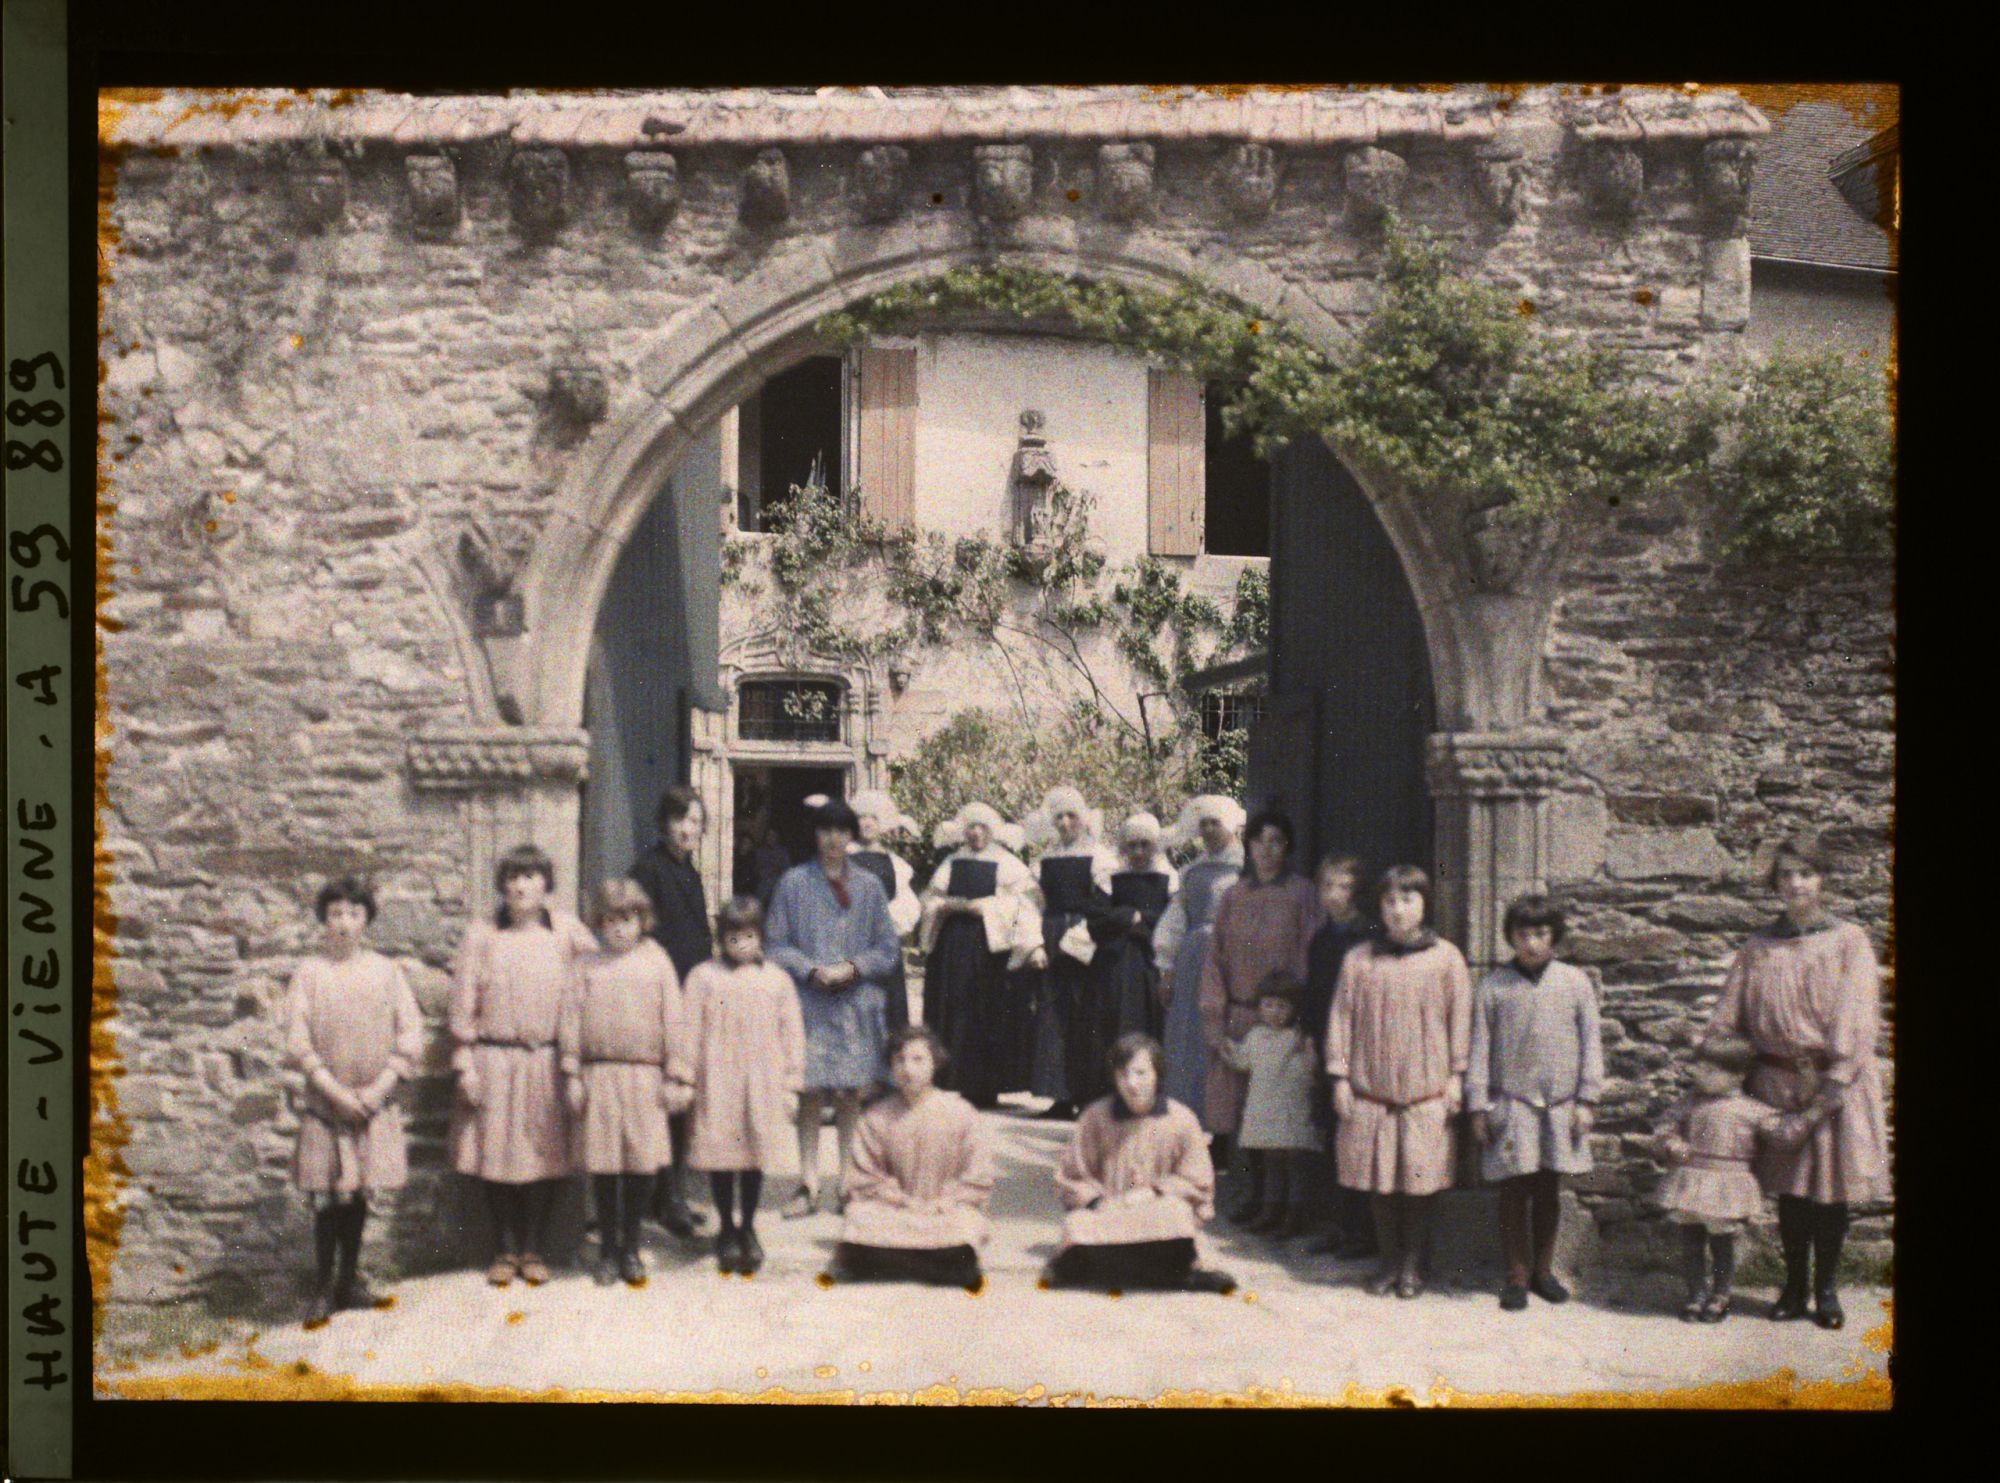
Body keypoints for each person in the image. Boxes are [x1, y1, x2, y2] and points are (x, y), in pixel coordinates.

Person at [1699, 834, 1889, 1331]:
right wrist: (1720, 1068)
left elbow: (1857, 1022)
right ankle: (1794, 1286)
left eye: (1805, 872)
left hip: (1830, 1086)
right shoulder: (1759, 946)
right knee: (1791, 1194)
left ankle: (1826, 1290)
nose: (1795, 883)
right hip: (1775, 1083)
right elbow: (1729, 1016)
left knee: (1829, 1192)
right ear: (1775, 884)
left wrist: (1829, 1090)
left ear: (1821, 879)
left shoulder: (1848, 942)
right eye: (1785, 874)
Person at [451, 844, 597, 1287]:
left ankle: (533, 1247)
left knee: (542, 1157)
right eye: (513, 878)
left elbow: (601, 975)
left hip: (546, 1061)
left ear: (546, 884)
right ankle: (504, 1248)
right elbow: (463, 1006)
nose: (520, 886)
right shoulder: (482, 936)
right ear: (502, 885)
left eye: (531, 877)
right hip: (494, 1059)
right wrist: (465, 1064)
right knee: (495, 1157)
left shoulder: (567, 932)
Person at [1325, 864, 1473, 1299]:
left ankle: (1413, 1266)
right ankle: (1387, 1263)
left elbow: (1459, 1019)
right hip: (1372, 1092)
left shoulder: (1446, 958)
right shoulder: (1359, 960)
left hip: (1425, 1092)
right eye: (1390, 901)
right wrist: (1340, 1077)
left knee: (1418, 1184)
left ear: (1424, 904)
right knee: (1380, 1185)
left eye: (1408, 899)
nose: (1398, 909)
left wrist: (1456, 1076)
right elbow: (1342, 1018)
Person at [285, 875, 422, 1325]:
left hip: (370, 1105)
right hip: (328, 1106)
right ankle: (323, 1285)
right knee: (328, 1196)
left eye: (354, 914)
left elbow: (409, 1036)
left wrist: (377, 1090)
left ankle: (349, 1279)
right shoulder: (309, 973)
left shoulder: (386, 971)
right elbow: (298, 1041)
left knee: (359, 1193)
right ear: (324, 920)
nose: (344, 923)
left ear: (366, 920)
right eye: (336, 914)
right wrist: (335, 1091)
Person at [766, 797, 903, 1220]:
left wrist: (853, 966)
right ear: (815, 835)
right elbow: (775, 943)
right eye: (825, 831)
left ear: (852, 836)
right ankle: (807, 1182)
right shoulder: (792, 883)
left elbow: (888, 949)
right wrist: (809, 970)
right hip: (809, 1003)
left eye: (841, 831)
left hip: (855, 1004)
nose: (833, 840)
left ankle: (847, 1183)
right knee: (809, 1095)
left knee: (849, 1096)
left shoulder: (868, 886)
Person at [1466, 894, 1603, 1311]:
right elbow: (1479, 1049)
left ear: (1554, 936)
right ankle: (1516, 1275)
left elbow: (1591, 1044)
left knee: (1548, 1189)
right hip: (1513, 1104)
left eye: (1541, 933)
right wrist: (1478, 1105)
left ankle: (1544, 1271)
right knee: (1513, 1190)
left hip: (1560, 1106)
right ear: (1510, 936)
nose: (1532, 943)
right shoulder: (1494, 987)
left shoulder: (1575, 983)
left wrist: (1586, 1100)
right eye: (1523, 934)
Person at [558, 879, 692, 1287]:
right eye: (611, 920)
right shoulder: (585, 966)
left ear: (641, 921)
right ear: (599, 923)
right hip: (600, 1074)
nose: (620, 929)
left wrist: (676, 1075)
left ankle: (632, 1246)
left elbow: (675, 1022)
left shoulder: (657, 963)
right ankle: (608, 1249)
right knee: (605, 1166)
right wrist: (572, 1072)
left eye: (628, 920)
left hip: (644, 1076)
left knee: (640, 1164)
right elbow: (570, 1020)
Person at [1044, 1034, 1237, 1294]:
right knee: (1077, 1225)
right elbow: (1071, 1176)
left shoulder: (1181, 1118)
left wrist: (1154, 1192)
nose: (1132, 1083)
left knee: (1175, 1215)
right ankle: (1160, 1273)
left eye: (1141, 1073)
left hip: (1157, 1209)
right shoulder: (1095, 1116)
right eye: (1123, 1075)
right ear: (1114, 1078)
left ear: (1157, 1074)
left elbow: (1198, 1181)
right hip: (1110, 1210)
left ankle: (1120, 1268)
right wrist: (1098, 1202)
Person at [1199, 807, 1320, 1222]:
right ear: (1247, 845)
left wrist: (1300, 1019)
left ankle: (1288, 1207)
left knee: (1283, 1115)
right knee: (1241, 1113)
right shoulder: (1233, 895)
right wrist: (1216, 1020)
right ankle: (1252, 1197)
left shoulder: (1303, 893)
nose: (1267, 850)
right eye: (1259, 841)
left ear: (1287, 847)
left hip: (1283, 1021)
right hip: (1241, 1015)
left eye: (1276, 842)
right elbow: (1214, 960)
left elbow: (1309, 955)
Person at [1655, 1035, 1825, 1323]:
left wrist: (1812, 1114)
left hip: (1726, 1183)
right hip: (1692, 1179)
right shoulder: (1689, 1103)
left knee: (1722, 1242)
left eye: (1710, 1071)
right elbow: (1665, 1127)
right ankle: (1695, 1294)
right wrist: (1672, 1143)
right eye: (1699, 1068)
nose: (1700, 1075)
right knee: (1690, 1240)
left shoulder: (1751, 1110)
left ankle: (1721, 1296)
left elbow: (1785, 1137)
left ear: (1738, 1076)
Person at [683, 896, 807, 1275]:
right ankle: (726, 1227)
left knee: (753, 1155)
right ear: (722, 938)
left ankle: (749, 1226)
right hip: (717, 1079)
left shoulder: (777, 980)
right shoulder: (703, 978)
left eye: (749, 936)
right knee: (722, 1155)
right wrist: (685, 1076)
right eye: (733, 937)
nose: (741, 944)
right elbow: (687, 1031)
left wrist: (791, 1083)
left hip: (762, 1080)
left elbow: (792, 1034)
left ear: (761, 937)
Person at [828, 1026, 995, 1289]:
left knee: (964, 1225)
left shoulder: (962, 1113)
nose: (908, 1069)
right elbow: (863, 1177)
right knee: (858, 1218)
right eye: (900, 1060)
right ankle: (931, 1265)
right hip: (894, 1210)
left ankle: (896, 1262)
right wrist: (900, 1201)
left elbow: (978, 1176)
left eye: (918, 1060)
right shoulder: (875, 1117)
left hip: (945, 1211)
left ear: (934, 1064)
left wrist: (945, 1202)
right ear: (891, 1067)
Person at [627, 784, 712, 1238]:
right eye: (682, 820)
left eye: (697, 822)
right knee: (662, 1101)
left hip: (689, 1001)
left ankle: (670, 1195)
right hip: (660, 1001)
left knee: (682, 1102)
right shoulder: (649, 870)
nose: (689, 829)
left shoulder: (690, 873)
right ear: (666, 823)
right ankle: (660, 1199)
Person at [919, 802, 1041, 1110]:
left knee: (986, 1012)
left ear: (992, 830)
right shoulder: (952, 862)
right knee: (954, 1010)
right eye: (971, 827)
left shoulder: (1007, 863)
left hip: (989, 949)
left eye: (982, 827)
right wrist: (947, 906)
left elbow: (1022, 906)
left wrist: (984, 907)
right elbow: (930, 900)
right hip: (953, 947)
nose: (976, 833)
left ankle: (986, 1086)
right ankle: (953, 1081)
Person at [1023, 785, 1119, 1121]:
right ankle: (1059, 1096)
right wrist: (1033, 943)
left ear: (1084, 818)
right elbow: (1031, 904)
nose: (1065, 823)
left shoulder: (1101, 856)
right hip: (1050, 934)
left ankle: (1088, 1096)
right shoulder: (1044, 859)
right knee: (1052, 1014)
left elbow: (1106, 902)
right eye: (1059, 817)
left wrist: (1083, 936)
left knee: (1086, 1014)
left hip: (1086, 937)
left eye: (1071, 816)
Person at [1153, 796, 1244, 1134]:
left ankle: (1221, 1129)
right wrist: (1167, 968)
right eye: (1203, 823)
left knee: (1217, 1036)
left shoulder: (1244, 867)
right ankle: (1185, 1122)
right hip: (1192, 957)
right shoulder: (1192, 870)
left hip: (1227, 955)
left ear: (1231, 825)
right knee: (1187, 1037)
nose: (1207, 830)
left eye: (1214, 823)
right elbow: (1175, 920)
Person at [1074, 812, 1178, 1109]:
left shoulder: (1170, 881)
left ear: (1156, 847)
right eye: (1131, 845)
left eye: (1145, 845)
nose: (1138, 852)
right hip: (1113, 966)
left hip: (1150, 964)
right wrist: (1130, 917)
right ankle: (1107, 1096)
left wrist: (1136, 920)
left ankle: (1147, 1098)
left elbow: (1170, 922)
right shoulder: (1111, 880)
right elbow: (1096, 918)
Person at [1301, 853, 1375, 1258]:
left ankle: (1364, 1231)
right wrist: (1311, 1042)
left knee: (1360, 1136)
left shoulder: (1368, 938)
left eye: (1343, 886)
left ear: (1357, 891)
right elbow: (1314, 995)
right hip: (1328, 1046)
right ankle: (1335, 1224)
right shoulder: (1321, 939)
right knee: (1330, 1135)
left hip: (1360, 1047)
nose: (1333, 895)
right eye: (1326, 886)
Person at [1216, 971, 1321, 1236]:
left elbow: (1311, 1074)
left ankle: (1293, 1216)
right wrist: (1227, 1050)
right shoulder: (1256, 1036)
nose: (1274, 1012)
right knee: (1272, 1163)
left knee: (1294, 1165)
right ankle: (1269, 1212)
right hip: (1265, 1110)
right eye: (1268, 1005)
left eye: (1283, 1006)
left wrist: (1310, 1058)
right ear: (1259, 1006)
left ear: (1294, 1009)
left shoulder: (1297, 1039)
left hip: (1292, 1110)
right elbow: (1243, 1062)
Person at [847, 788, 923, 1037]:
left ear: (882, 824)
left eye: (872, 818)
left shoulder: (896, 864)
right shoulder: (841, 858)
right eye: (861, 818)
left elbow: (907, 905)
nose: (866, 823)